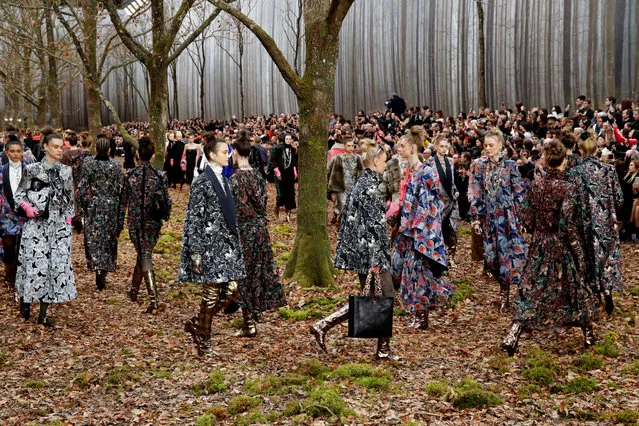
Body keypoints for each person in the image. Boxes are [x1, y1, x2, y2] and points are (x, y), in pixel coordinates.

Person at [502, 141, 597, 355]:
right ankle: (588, 334)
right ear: (564, 160)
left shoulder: (536, 184)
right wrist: (578, 251)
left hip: (539, 243)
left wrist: (538, 229)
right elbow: (567, 224)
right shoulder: (567, 187)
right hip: (560, 244)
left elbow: (525, 215)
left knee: (532, 287)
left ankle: (513, 332)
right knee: (574, 287)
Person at [310, 140, 400, 360]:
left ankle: (381, 349)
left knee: (377, 297)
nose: (386, 165)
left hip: (365, 253)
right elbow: (373, 228)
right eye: (384, 161)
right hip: (371, 255)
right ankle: (324, 326)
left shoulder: (363, 183)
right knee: (384, 297)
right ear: (376, 161)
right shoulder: (369, 188)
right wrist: (376, 260)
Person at [178, 132, 246, 357]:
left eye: (228, 152)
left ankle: (198, 323)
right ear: (211, 155)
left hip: (227, 247)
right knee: (209, 295)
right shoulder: (202, 181)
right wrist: (195, 250)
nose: (228, 155)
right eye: (224, 152)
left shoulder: (224, 179)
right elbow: (194, 217)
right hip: (209, 247)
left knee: (231, 290)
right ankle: (204, 341)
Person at [391, 133, 456, 330]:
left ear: (413, 148)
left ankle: (422, 316)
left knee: (419, 272)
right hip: (407, 230)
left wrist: (417, 227)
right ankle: (418, 312)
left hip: (423, 232)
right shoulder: (408, 171)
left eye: (402, 145)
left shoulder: (426, 171)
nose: (398, 149)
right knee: (407, 271)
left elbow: (431, 204)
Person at [14, 133, 76, 327]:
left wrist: (68, 225)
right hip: (35, 228)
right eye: (55, 146)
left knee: (53, 268)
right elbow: (19, 195)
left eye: (61, 147)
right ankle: (25, 299)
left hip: (57, 229)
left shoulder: (66, 171)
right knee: (34, 266)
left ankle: (43, 314)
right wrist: (28, 209)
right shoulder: (31, 170)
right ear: (45, 147)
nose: (59, 150)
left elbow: (69, 201)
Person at [229, 131, 287, 336]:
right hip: (260, 229)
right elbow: (263, 202)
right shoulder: (258, 175)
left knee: (244, 274)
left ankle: (249, 323)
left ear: (235, 152)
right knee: (258, 271)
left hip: (245, 229)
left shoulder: (236, 179)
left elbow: (237, 207)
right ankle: (254, 313)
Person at [468, 128, 527, 313]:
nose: (487, 148)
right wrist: (476, 218)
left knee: (511, 257)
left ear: (500, 145)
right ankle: (504, 289)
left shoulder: (510, 166)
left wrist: (523, 218)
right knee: (492, 259)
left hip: (509, 218)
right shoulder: (480, 166)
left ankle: (510, 295)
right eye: (485, 145)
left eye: (490, 145)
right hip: (490, 219)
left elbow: (519, 192)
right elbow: (476, 192)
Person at [569, 133, 623, 315]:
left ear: (581, 150)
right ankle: (607, 288)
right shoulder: (609, 170)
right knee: (606, 256)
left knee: (589, 257)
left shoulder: (576, 172)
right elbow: (619, 198)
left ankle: (595, 294)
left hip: (585, 222)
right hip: (607, 221)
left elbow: (572, 201)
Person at [121, 136, 172, 313]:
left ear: (137, 154)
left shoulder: (129, 176)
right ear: (152, 155)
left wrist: (120, 223)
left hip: (136, 222)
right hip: (153, 222)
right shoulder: (160, 176)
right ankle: (134, 292)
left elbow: (123, 202)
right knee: (143, 253)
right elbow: (167, 200)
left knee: (144, 254)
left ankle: (154, 301)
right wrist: (165, 216)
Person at [77, 138, 125, 291]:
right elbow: (120, 187)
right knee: (109, 237)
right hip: (111, 205)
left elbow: (82, 187)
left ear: (96, 149)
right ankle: (103, 269)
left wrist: (84, 205)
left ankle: (97, 266)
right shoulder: (116, 165)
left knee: (94, 236)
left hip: (94, 204)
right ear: (109, 150)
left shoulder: (89, 164)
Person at [0, 139, 32, 292]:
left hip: (26, 215)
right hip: (6, 215)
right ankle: (10, 273)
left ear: (22, 153)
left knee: (24, 246)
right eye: (12, 151)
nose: (15, 154)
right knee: (8, 245)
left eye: (18, 151)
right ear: (7, 152)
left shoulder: (30, 170)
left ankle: (21, 276)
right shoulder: (1, 170)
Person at [429, 134, 460, 267]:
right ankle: (438, 255)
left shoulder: (451, 162)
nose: (444, 149)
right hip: (438, 201)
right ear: (436, 147)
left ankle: (451, 256)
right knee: (438, 229)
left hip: (452, 199)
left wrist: (455, 190)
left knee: (453, 229)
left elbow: (452, 180)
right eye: (441, 146)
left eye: (446, 146)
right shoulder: (430, 163)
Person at [327, 138, 363, 224]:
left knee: (350, 206)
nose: (351, 148)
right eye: (349, 146)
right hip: (341, 187)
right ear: (344, 146)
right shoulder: (338, 158)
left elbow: (361, 172)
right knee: (342, 205)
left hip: (353, 187)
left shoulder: (357, 158)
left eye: (352, 146)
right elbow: (329, 169)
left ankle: (341, 220)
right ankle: (341, 222)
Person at [268, 133, 298, 221]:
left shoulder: (293, 149)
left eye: (290, 139)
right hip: (281, 175)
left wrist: (295, 172)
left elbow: (294, 162)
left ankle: (287, 214)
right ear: (284, 139)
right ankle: (277, 209)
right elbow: (273, 162)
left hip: (290, 175)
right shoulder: (278, 149)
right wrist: (278, 173)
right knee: (281, 194)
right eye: (287, 139)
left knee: (290, 194)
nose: (288, 141)